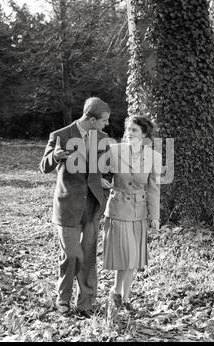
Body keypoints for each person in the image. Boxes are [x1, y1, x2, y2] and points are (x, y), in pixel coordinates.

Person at [40, 97, 112, 316]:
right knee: (72, 254)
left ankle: (86, 302)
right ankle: (63, 298)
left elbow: (106, 168)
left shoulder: (103, 138)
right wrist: (55, 156)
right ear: (90, 119)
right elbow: (44, 166)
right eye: (104, 121)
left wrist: (103, 180)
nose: (106, 125)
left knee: (89, 255)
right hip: (68, 205)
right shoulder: (60, 135)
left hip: (92, 206)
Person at [103, 115, 162, 312]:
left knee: (133, 260)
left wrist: (154, 216)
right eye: (128, 129)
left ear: (144, 134)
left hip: (138, 211)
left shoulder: (153, 157)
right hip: (118, 208)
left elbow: (154, 188)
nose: (129, 133)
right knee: (127, 256)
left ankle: (123, 297)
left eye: (134, 130)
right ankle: (116, 292)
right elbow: (100, 175)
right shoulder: (114, 151)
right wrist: (103, 182)